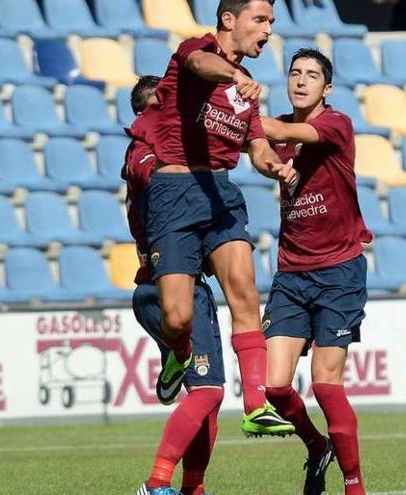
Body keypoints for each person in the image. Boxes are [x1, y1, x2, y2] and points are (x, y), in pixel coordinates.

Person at [127, 0, 297, 437]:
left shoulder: (248, 93)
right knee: (178, 318)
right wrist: (237, 76)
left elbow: (257, 147)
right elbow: (204, 65)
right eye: (260, 20)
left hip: (220, 193)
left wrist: (274, 166)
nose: (268, 30)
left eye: (271, 22)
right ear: (229, 20)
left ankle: (257, 404)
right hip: (174, 192)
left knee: (244, 290)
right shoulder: (193, 52)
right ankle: (176, 351)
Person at [260, 48, 372, 495]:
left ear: (327, 88)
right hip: (291, 273)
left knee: (327, 387)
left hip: (338, 273)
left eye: (311, 75)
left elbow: (279, 130)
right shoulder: (281, 132)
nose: (301, 80)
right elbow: (259, 150)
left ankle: (354, 485)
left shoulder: (334, 124)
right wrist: (268, 163)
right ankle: (315, 444)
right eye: (294, 73)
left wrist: (242, 115)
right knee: (275, 387)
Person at [126, 78, 224, 495]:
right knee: (208, 390)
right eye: (153, 109)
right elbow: (162, 177)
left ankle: (193, 488)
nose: (160, 116)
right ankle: (157, 482)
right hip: (166, 287)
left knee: (208, 397)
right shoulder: (142, 152)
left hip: (178, 286)